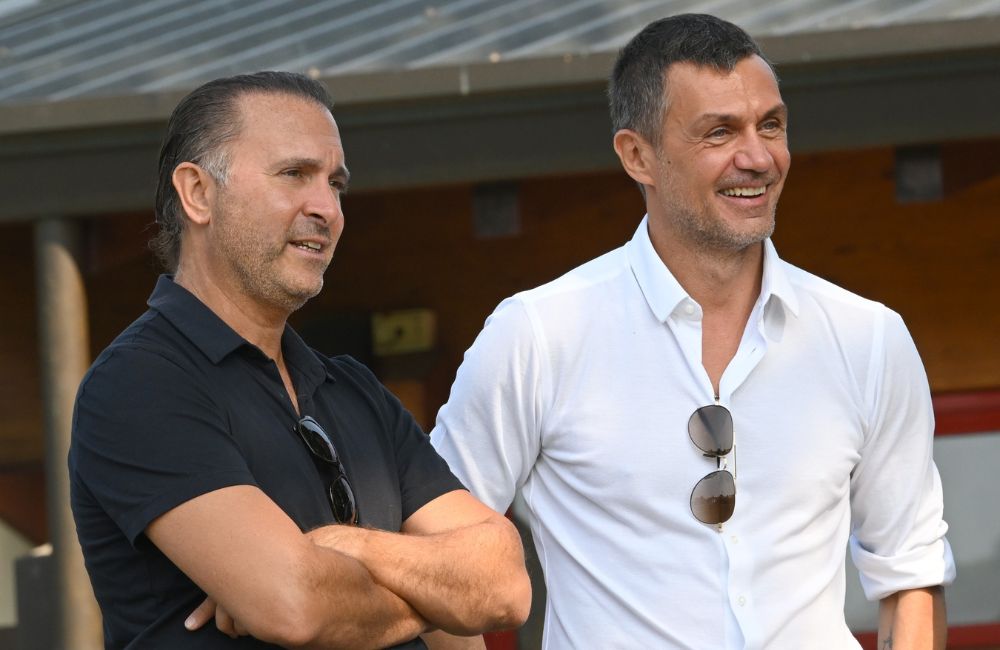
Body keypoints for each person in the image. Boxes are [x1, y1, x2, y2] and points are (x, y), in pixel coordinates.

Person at [430, 13, 955, 649]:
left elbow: (912, 575)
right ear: (638, 155)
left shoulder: (870, 338)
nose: (758, 157)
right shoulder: (539, 336)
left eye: (771, 125)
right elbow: (442, 561)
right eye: (719, 132)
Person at [69, 71, 530, 649]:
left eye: (335, 184)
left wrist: (354, 546)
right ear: (197, 193)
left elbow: (504, 586)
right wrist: (439, 595)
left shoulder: (353, 389)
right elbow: (297, 607)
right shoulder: (141, 384)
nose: (328, 209)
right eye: (294, 175)